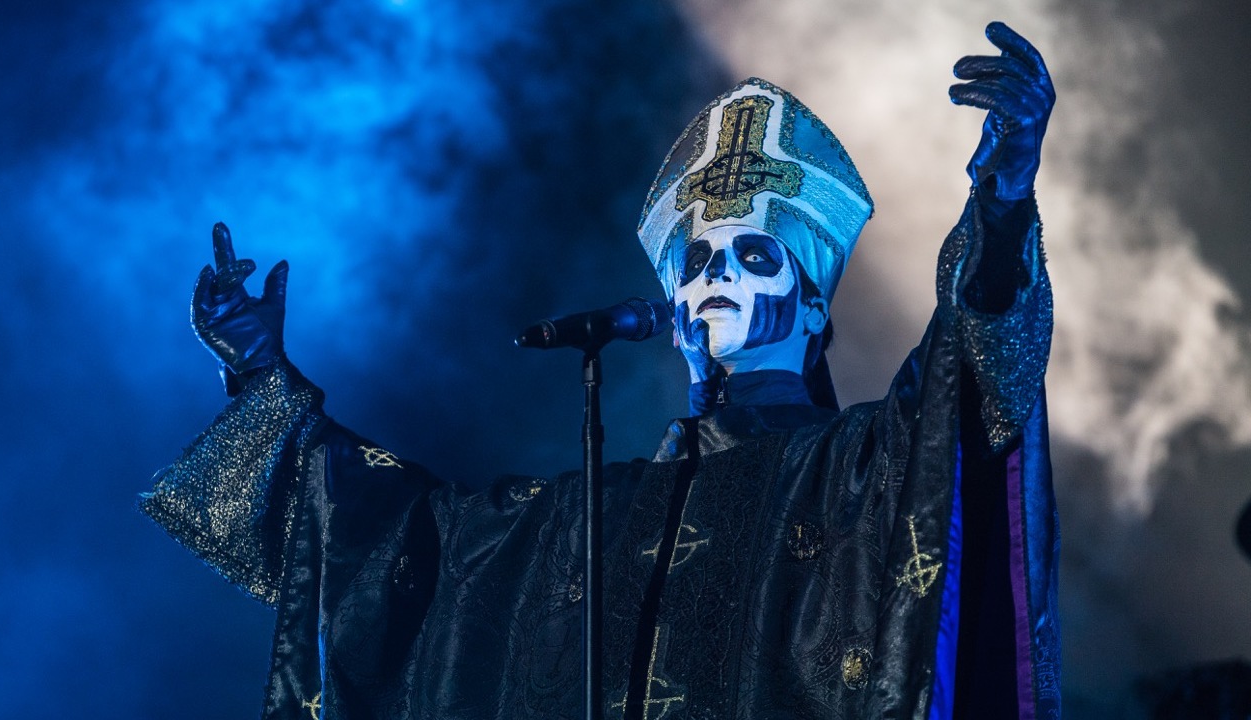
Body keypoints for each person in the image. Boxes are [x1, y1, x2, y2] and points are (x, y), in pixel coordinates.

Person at [143, 21, 1059, 719]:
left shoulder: (865, 469)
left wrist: (1004, 202)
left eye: (750, 255)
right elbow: (387, 547)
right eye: (697, 263)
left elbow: (973, 383)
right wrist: (261, 380)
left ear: (815, 301)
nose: (715, 281)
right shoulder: (582, 516)